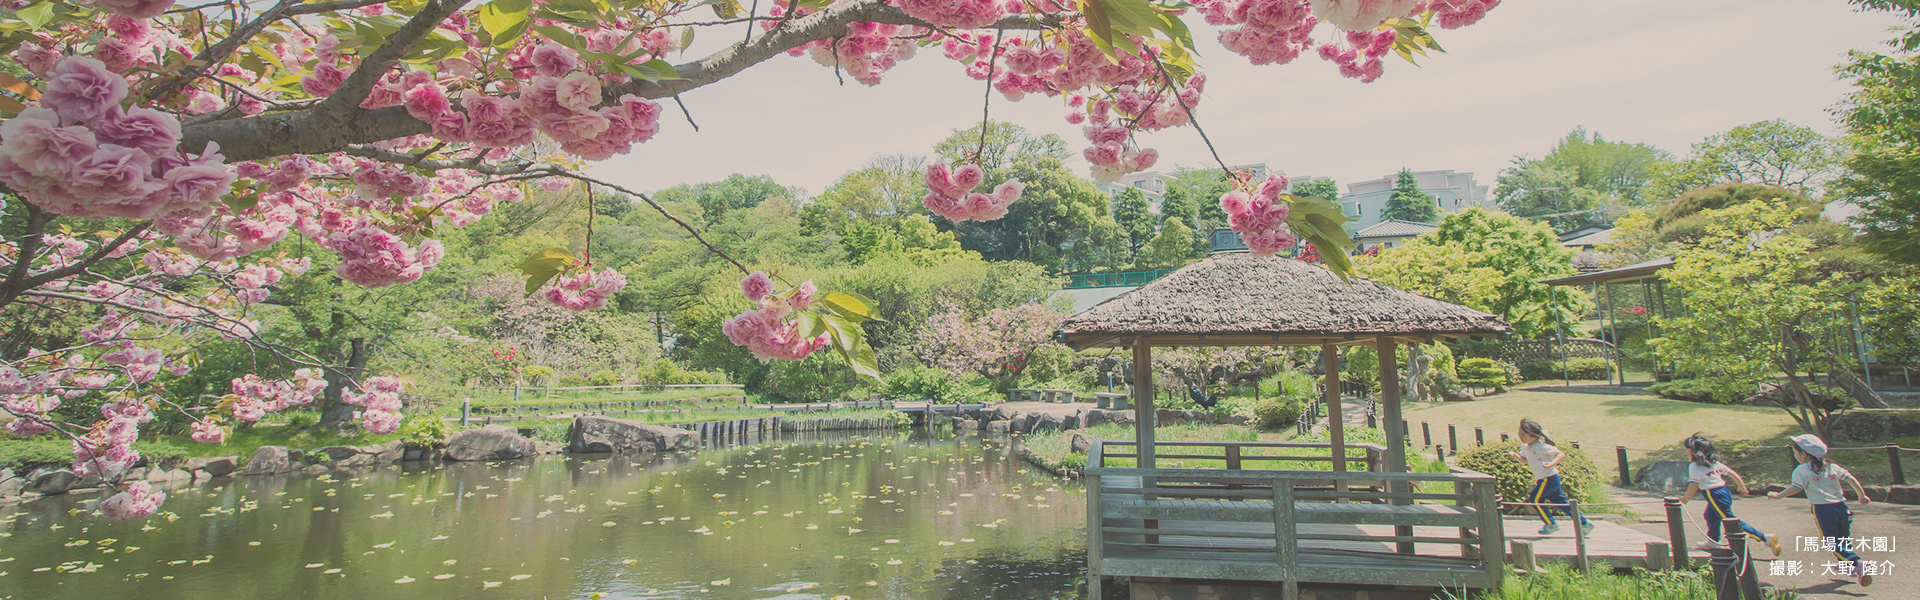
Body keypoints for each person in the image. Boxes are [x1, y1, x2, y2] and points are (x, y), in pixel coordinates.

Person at [1769, 434, 1873, 587]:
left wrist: (1779, 495)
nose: (1794, 455)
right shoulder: (1832, 466)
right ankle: (1847, 565)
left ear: (1804, 454)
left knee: (1831, 542)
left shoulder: (1802, 470)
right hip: (1842, 507)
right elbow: (1850, 478)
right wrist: (1861, 495)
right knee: (1843, 538)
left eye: (1795, 452)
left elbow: (1796, 487)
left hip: (1823, 510)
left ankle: (1856, 563)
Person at [1677, 434, 1780, 554]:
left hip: (1713, 495)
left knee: (1730, 521)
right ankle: (1713, 542)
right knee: (1710, 515)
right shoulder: (1714, 463)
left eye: (1688, 450)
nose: (1686, 453)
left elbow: (1694, 485)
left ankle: (1764, 537)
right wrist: (1741, 486)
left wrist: (1685, 499)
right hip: (1723, 491)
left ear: (1695, 452)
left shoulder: (1694, 467)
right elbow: (1732, 473)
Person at [1508, 418, 1593, 536]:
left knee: (1535, 499)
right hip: (1545, 479)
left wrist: (1551, 464)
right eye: (1519, 433)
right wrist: (1515, 456)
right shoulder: (1525, 447)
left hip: (1548, 478)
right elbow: (1524, 461)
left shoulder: (1542, 446)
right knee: (1561, 503)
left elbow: (1560, 454)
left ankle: (1550, 523)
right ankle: (1584, 523)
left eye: (1524, 434)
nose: (1521, 436)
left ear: (1533, 435)